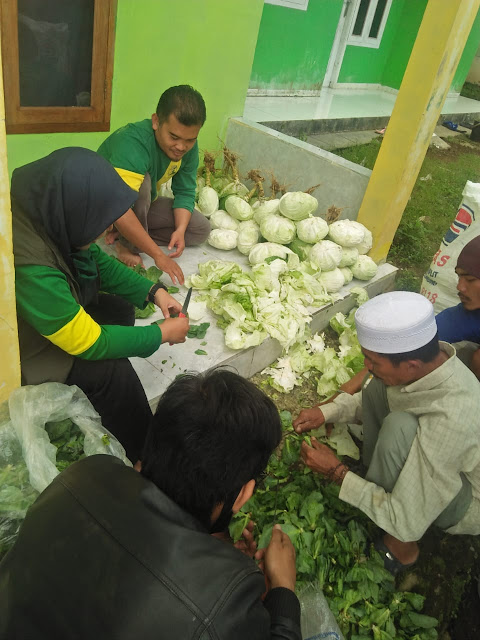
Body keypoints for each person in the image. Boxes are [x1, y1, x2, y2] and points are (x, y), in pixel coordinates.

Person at [0, 370, 302, 640]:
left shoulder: (85, 472)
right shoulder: (223, 609)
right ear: (243, 495)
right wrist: (282, 591)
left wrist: (219, 563)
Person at [11, 147, 189, 462]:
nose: (107, 234)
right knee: (112, 373)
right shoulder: (31, 266)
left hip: (45, 318)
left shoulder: (47, 212)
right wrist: (160, 334)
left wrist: (154, 291)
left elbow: (98, 263)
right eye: (99, 223)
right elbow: (89, 342)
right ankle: (142, 457)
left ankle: (98, 403)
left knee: (118, 310)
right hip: (21, 349)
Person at [293, 291, 480, 575]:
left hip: (465, 499)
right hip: (438, 464)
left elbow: (409, 518)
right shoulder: (429, 364)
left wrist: (337, 474)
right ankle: (376, 486)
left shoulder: (451, 418)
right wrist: (327, 412)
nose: (366, 366)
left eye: (373, 360)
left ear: (411, 365)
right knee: (376, 384)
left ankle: (402, 550)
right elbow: (384, 393)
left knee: (399, 428)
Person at [97, 84, 211, 284]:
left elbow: (185, 191)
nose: (181, 147)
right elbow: (120, 207)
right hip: (103, 207)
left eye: (190, 140)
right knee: (143, 184)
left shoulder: (187, 146)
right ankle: (127, 243)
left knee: (199, 229)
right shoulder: (132, 143)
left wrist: (180, 230)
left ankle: (129, 232)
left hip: (136, 206)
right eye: (174, 137)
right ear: (156, 121)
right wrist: (158, 256)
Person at [435, 235, 480, 379]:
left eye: (470, 279)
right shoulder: (471, 315)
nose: (460, 287)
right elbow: (425, 336)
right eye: (459, 277)